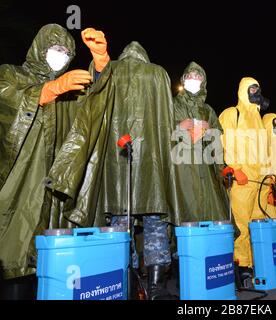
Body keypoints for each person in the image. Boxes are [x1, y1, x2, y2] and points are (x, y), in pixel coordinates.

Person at [46, 40, 181, 300]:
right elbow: (168, 122)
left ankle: (125, 287)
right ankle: (155, 290)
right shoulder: (158, 74)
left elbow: (92, 99)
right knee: (155, 226)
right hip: (152, 169)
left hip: (116, 166)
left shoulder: (111, 70)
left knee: (120, 228)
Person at [0, 24, 93, 298]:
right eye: (55, 49)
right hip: (17, 186)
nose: (60, 56)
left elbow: (92, 113)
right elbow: (5, 100)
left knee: (43, 273)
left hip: (49, 192)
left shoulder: (70, 92)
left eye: (66, 52)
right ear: (40, 48)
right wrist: (44, 92)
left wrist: (100, 66)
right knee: (13, 264)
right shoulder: (11, 74)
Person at [219, 77, 270, 285]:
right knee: (240, 224)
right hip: (241, 180)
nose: (255, 92)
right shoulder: (233, 113)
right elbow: (225, 142)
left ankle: (256, 263)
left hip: (259, 181)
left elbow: (266, 151)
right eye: (252, 88)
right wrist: (236, 169)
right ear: (243, 90)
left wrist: (269, 176)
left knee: (257, 224)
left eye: (258, 88)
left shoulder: (258, 119)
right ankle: (240, 265)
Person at [172, 61, 229, 222]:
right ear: (183, 80)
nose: (194, 79)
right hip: (181, 169)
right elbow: (160, 132)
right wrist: (178, 127)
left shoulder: (208, 110)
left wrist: (222, 168)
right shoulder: (172, 104)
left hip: (206, 169)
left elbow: (216, 144)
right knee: (187, 211)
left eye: (198, 76)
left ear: (203, 82)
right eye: (190, 76)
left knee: (212, 210)